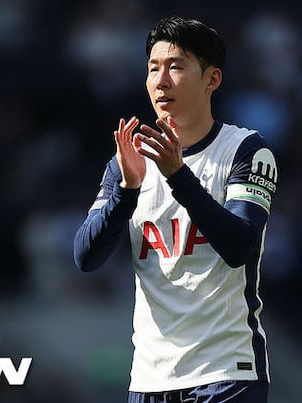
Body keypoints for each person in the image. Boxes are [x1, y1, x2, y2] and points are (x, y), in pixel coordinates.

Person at [74, 15, 278, 403]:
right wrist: (126, 192)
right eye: (153, 68)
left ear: (211, 79)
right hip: (150, 378)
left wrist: (178, 177)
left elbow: (239, 247)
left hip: (226, 373)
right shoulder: (128, 162)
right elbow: (85, 257)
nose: (161, 80)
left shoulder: (246, 150)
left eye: (176, 67)